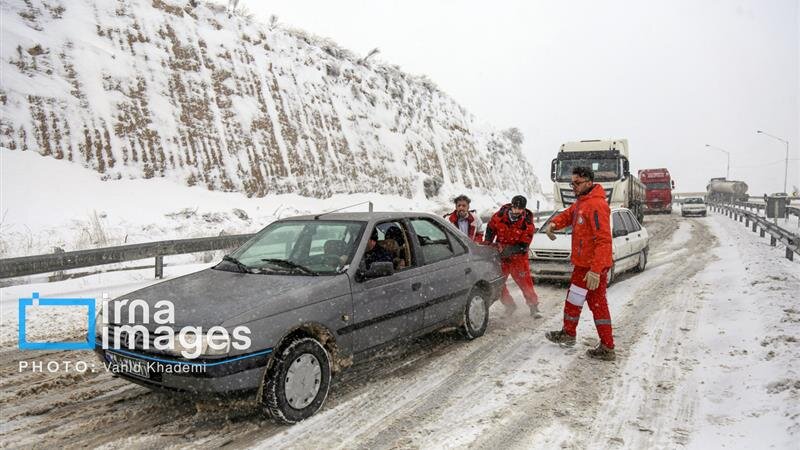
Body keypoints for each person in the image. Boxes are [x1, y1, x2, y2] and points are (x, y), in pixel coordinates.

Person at [543, 166, 615, 361]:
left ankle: (602, 345)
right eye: (571, 183)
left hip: (591, 267)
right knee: (584, 302)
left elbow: (603, 241)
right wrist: (554, 224)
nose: (573, 186)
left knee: (590, 304)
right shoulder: (582, 202)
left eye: (577, 183)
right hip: (584, 265)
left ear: (589, 183)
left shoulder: (596, 205)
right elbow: (568, 215)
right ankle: (575, 335)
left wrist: (596, 270)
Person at [484, 195, 540, 318]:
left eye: (520, 209)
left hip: (518, 259)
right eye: (515, 208)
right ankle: (510, 305)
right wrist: (488, 243)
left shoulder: (527, 224)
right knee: (498, 285)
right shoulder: (499, 216)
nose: (517, 211)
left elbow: (524, 245)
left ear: (524, 209)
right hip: (501, 258)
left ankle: (534, 307)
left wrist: (508, 250)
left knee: (525, 284)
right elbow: (490, 229)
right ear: (511, 206)